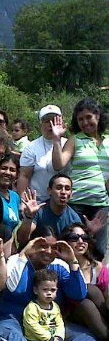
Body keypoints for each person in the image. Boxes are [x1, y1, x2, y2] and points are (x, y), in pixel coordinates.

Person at [0, 226, 109, 341]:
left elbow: (78, 294)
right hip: (14, 318)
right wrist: (24, 255)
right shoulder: (16, 260)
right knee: (13, 337)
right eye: (42, 246)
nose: (48, 251)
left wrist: (72, 262)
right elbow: (16, 290)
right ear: (32, 244)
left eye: (53, 247)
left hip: (49, 321)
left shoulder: (59, 265)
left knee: (82, 336)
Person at [51, 97, 109, 258]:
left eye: (88, 117)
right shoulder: (75, 140)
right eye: (80, 119)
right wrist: (56, 139)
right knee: (72, 248)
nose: (85, 122)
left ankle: (94, 276)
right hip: (77, 203)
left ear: (98, 116)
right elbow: (58, 164)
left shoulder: (108, 142)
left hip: (101, 205)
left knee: (98, 251)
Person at [23, 269, 94, 341]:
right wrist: (48, 338)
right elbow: (32, 325)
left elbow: (59, 323)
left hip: (53, 340)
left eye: (52, 290)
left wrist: (59, 336)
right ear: (35, 290)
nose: (49, 293)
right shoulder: (32, 307)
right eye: (45, 290)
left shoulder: (55, 307)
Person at [60, 224, 109, 341]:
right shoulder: (61, 266)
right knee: (86, 303)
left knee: (93, 290)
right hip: (71, 311)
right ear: (66, 242)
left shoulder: (97, 267)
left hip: (101, 313)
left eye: (85, 238)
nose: (81, 241)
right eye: (74, 238)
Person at [17, 174, 92, 248]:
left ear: (71, 193)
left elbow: (78, 247)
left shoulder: (74, 218)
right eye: (59, 188)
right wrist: (29, 216)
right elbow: (22, 239)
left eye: (67, 188)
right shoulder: (37, 209)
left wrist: (91, 232)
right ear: (49, 191)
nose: (63, 192)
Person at [17, 105, 67, 204]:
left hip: (64, 201)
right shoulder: (31, 148)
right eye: (47, 121)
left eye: (54, 120)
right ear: (40, 124)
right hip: (38, 201)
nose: (51, 124)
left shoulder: (69, 144)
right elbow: (24, 176)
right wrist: (23, 202)